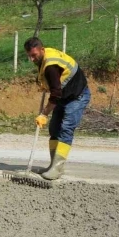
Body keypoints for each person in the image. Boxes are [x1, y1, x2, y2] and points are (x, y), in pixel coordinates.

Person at [24, 37, 91, 180]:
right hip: (63, 96)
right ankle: (52, 165)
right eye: (29, 56)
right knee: (54, 129)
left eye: (34, 55)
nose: (32, 59)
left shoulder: (50, 66)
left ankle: (57, 169)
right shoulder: (44, 58)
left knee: (66, 128)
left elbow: (55, 92)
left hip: (76, 96)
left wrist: (44, 113)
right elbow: (54, 84)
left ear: (42, 50)